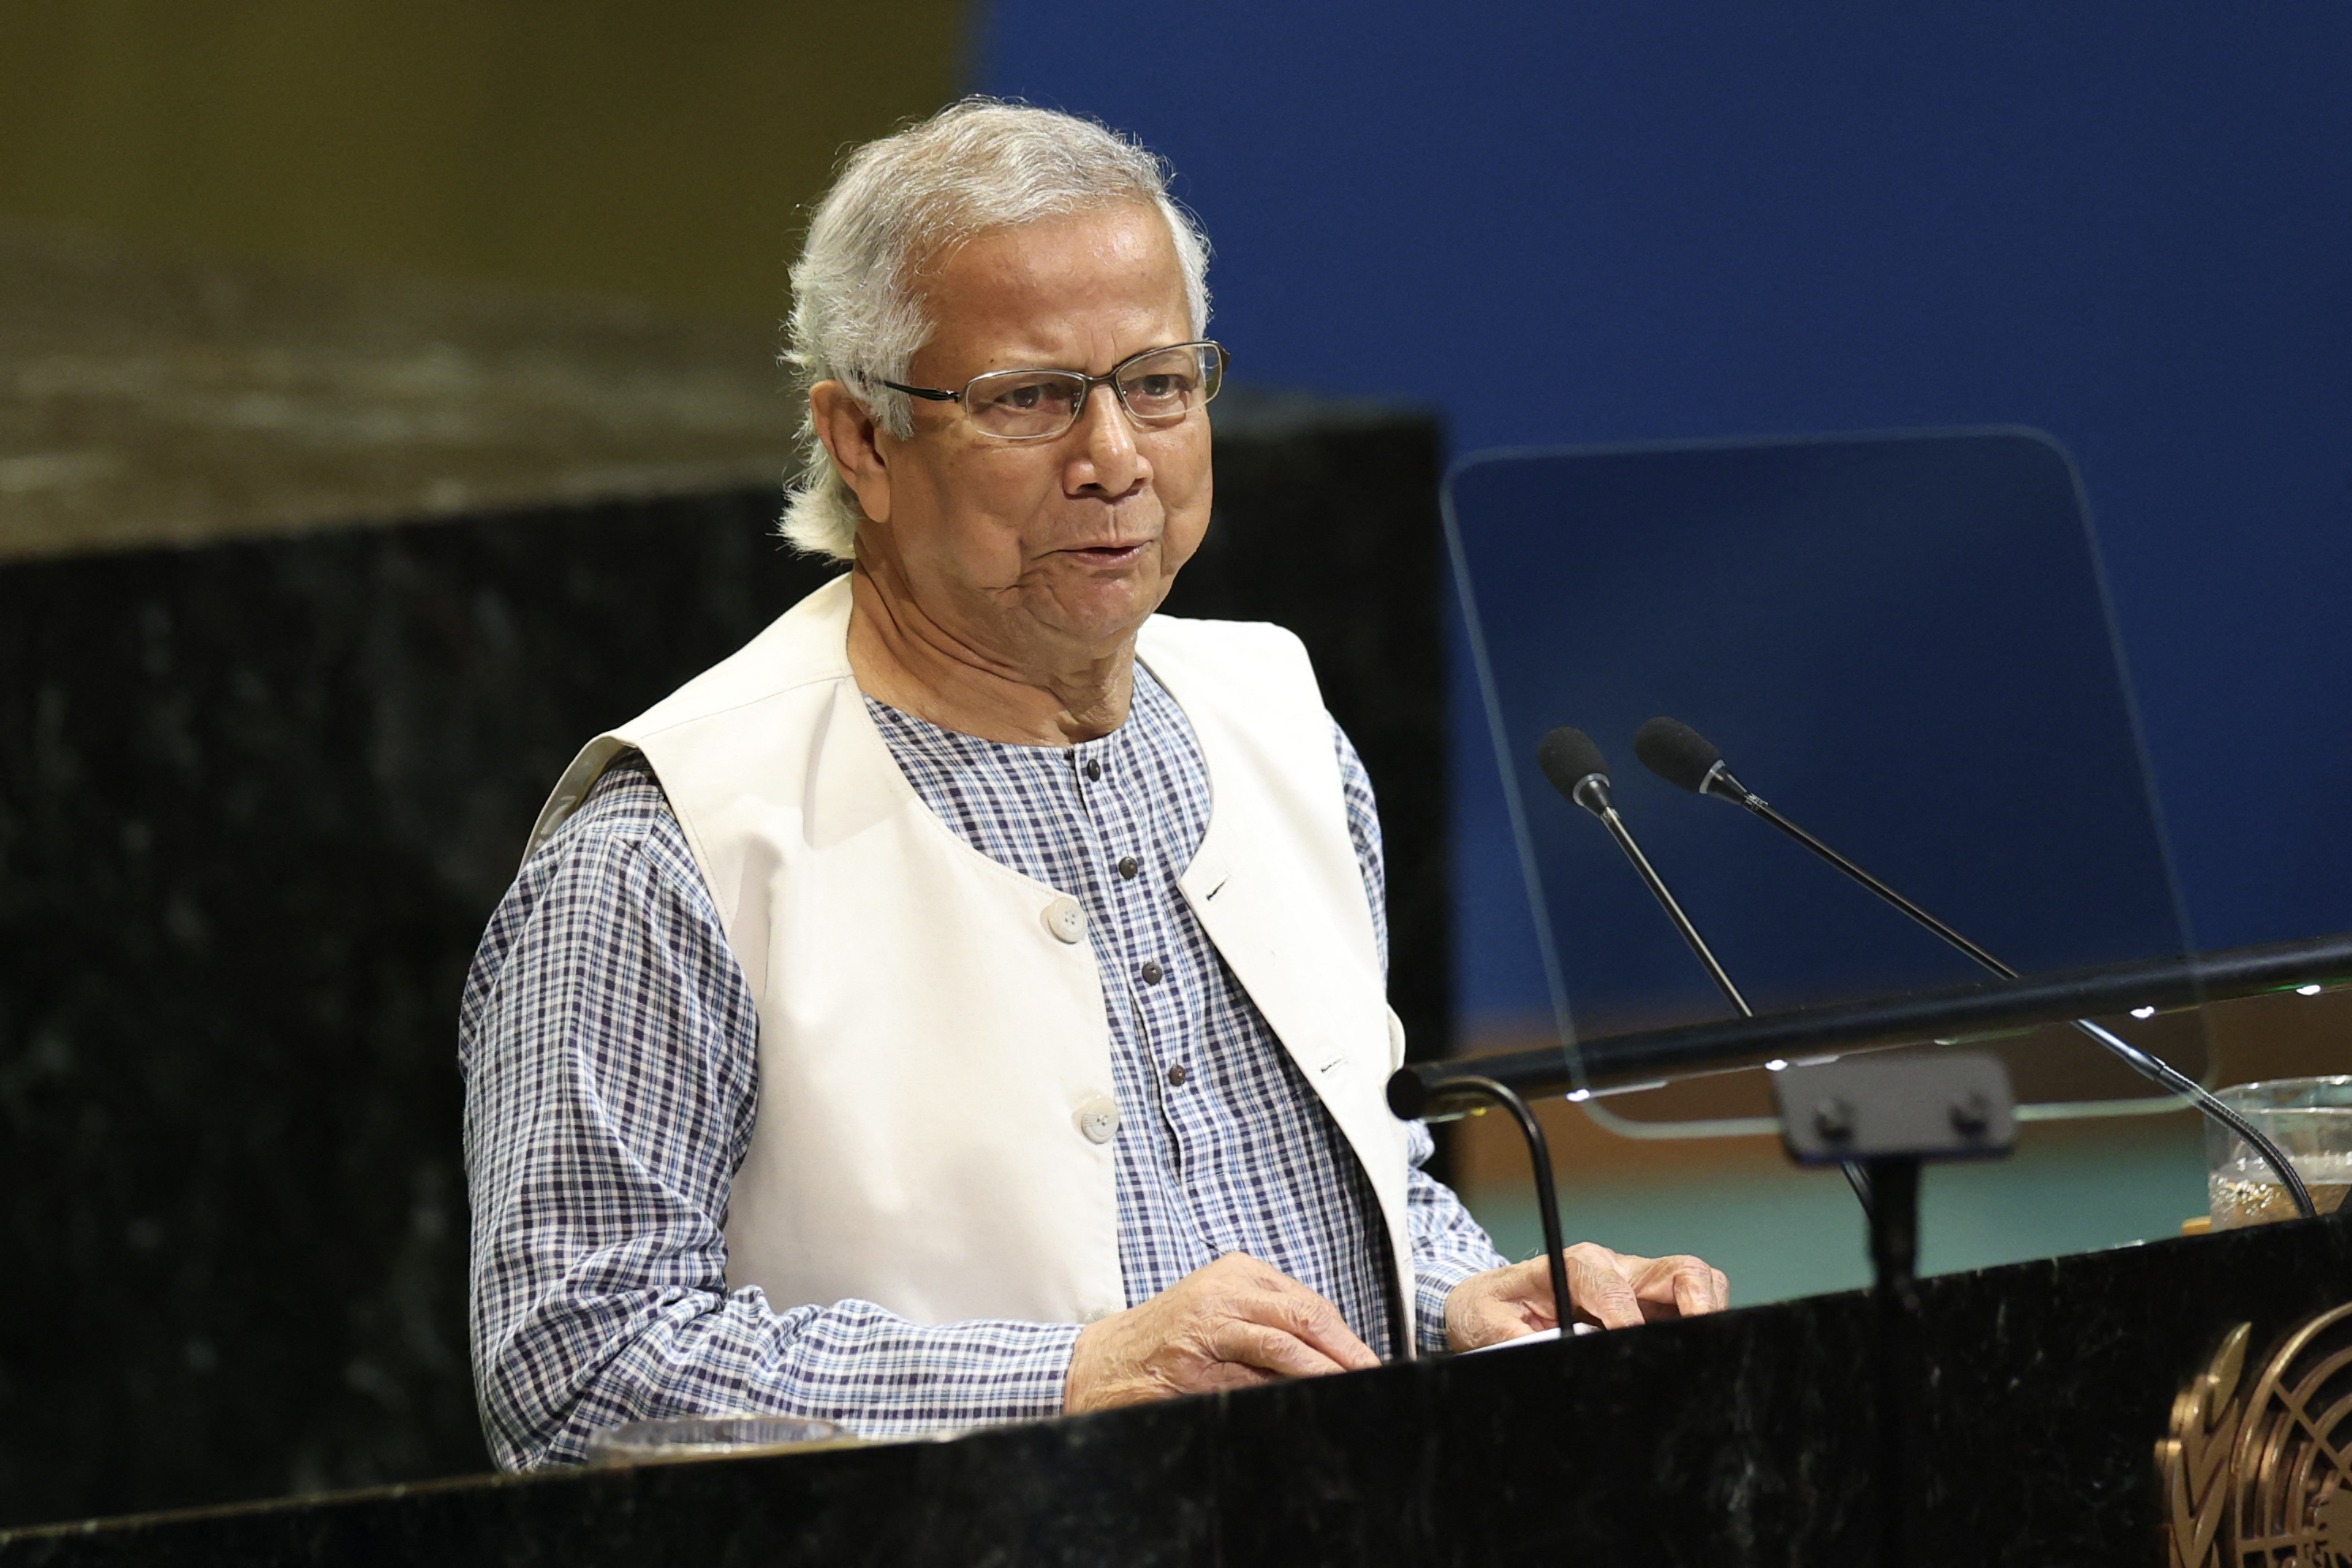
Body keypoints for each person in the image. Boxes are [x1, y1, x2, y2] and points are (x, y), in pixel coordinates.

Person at [460, 99, 1727, 1470]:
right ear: (862, 441)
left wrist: (1458, 1303)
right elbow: (573, 1364)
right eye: (1030, 397)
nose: (1114, 456)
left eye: (1158, 383)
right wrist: (1061, 1377)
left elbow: (1344, 1183)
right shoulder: (666, 848)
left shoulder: (1278, 719)